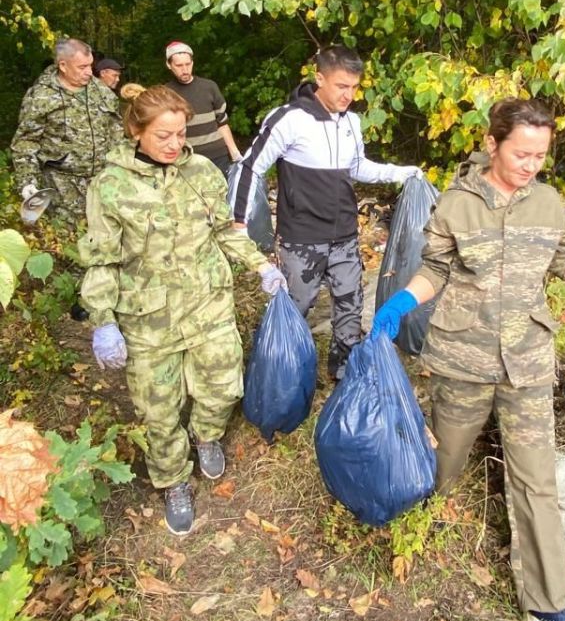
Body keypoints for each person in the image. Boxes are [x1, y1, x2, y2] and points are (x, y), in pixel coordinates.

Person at [371, 97, 565, 621]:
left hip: (527, 361)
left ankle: (548, 602)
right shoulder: (456, 205)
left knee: (537, 479)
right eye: (521, 154)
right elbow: (434, 270)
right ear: (492, 144)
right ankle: (414, 527)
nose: (531, 165)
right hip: (462, 359)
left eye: (540, 156)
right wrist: (400, 304)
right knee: (445, 461)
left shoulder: (549, 204)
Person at [78, 85, 286, 536]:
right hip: (149, 320)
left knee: (223, 386)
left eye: (180, 134)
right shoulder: (111, 186)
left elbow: (226, 231)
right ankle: (173, 479)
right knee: (159, 410)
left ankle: (207, 435)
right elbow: (102, 261)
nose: (175, 145)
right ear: (136, 130)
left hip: (208, 304)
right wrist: (103, 322)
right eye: (163, 136)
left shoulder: (201, 172)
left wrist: (260, 266)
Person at [229, 45, 421, 380]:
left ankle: (344, 370)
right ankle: (283, 372)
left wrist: (400, 172)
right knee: (295, 308)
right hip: (301, 240)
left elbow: (358, 166)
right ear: (319, 78)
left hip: (345, 237)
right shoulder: (289, 119)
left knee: (350, 306)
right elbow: (250, 168)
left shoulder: (352, 122)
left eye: (354, 87)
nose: (349, 95)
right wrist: (238, 221)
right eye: (341, 86)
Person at [11, 37, 124, 222]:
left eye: (90, 65)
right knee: (68, 247)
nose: (89, 72)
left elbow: (116, 131)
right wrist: (28, 180)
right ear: (63, 66)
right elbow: (25, 142)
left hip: (103, 186)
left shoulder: (101, 92)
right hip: (62, 192)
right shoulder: (41, 96)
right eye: (82, 67)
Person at [164, 41, 242, 177]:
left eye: (188, 64)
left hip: (218, 156)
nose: (185, 69)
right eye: (179, 65)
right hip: (186, 159)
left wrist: (235, 154)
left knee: (222, 196)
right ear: (169, 65)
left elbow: (222, 123)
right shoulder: (165, 93)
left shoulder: (209, 87)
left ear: (192, 63)